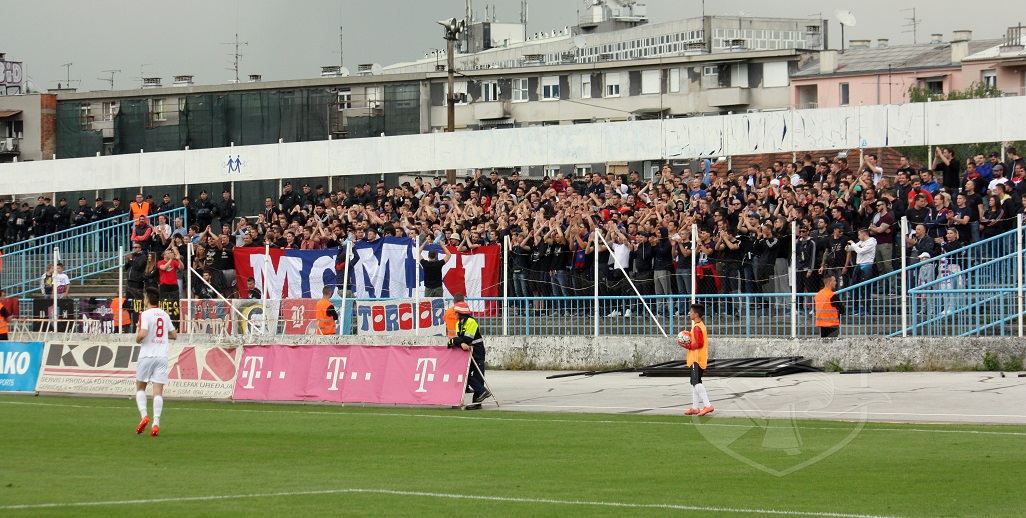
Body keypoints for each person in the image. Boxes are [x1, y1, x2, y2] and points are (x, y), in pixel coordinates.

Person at [134, 287, 177, 437]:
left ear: (146, 299)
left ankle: (144, 416)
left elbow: (143, 334)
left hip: (147, 355)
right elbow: (174, 335)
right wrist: (162, 336)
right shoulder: (165, 315)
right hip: (162, 356)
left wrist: (137, 338)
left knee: (140, 387)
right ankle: (156, 424)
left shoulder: (145, 314)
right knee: (158, 392)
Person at [447, 300, 490, 409]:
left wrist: (454, 340)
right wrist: (458, 342)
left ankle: (477, 403)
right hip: (467, 352)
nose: (454, 314)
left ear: (460, 313)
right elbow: (461, 340)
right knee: (463, 373)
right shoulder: (458, 324)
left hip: (477, 351)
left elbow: (467, 339)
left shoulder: (471, 322)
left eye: (456, 312)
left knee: (477, 376)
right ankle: (482, 392)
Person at [681, 303, 713, 416]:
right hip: (698, 358)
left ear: (696, 314)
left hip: (697, 358)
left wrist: (687, 346)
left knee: (696, 382)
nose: (689, 313)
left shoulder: (697, 327)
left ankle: (707, 405)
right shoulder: (699, 326)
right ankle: (695, 407)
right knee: (693, 382)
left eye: (691, 312)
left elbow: (699, 343)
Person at [814, 273, 844, 338]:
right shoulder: (832, 295)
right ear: (830, 283)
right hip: (832, 325)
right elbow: (842, 310)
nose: (836, 283)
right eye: (834, 281)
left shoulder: (818, 295)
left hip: (822, 325)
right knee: (832, 342)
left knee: (824, 342)